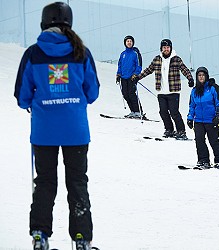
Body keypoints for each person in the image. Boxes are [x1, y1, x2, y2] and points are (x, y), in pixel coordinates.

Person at [14, 2, 99, 249]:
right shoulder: (81, 52)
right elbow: (92, 92)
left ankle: (40, 235)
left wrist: (38, 100)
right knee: (77, 183)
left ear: (44, 22)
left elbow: (21, 96)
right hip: (76, 131)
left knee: (45, 182)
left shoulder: (33, 53)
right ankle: (82, 239)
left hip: (44, 132)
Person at [137, 39, 194, 140]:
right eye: (164, 48)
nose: (166, 49)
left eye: (168, 47)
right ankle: (169, 130)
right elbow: (148, 70)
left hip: (173, 91)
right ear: (161, 49)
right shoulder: (157, 59)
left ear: (171, 48)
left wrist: (190, 78)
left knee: (174, 112)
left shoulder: (176, 59)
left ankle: (181, 131)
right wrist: (138, 77)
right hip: (161, 92)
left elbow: (184, 69)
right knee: (163, 112)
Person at [187, 67, 219, 169]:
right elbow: (192, 105)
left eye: (203, 75)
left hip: (211, 120)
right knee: (199, 141)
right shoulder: (194, 90)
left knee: (213, 141)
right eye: (199, 75)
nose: (201, 77)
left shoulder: (213, 88)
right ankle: (203, 160)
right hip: (199, 121)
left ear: (206, 76)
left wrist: (218, 116)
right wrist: (190, 118)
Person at [116, 35, 143, 118]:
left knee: (132, 94)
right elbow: (120, 65)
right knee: (125, 94)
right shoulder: (123, 54)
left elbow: (139, 65)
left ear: (133, 43)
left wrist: (136, 74)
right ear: (125, 43)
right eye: (127, 41)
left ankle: (138, 112)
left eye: (130, 41)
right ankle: (132, 111)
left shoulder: (135, 53)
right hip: (123, 77)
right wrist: (118, 74)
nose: (129, 42)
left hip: (132, 77)